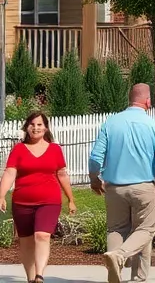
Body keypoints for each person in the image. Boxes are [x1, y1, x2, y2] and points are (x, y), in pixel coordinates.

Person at [89, 83, 155, 283]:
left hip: (114, 187)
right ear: (148, 101)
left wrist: (94, 179)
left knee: (116, 228)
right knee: (145, 229)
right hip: (144, 185)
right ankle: (128, 265)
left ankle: (117, 267)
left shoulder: (111, 123)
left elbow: (95, 158)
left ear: (129, 99)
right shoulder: (154, 126)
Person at [0, 112, 76, 283]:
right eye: (32, 124)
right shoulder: (18, 149)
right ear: (27, 127)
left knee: (42, 235)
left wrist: (70, 199)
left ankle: (39, 274)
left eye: (40, 124)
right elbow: (10, 172)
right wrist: (1, 195)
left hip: (49, 200)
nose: (36, 128)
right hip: (22, 202)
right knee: (26, 241)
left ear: (46, 128)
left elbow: (62, 174)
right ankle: (31, 278)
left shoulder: (55, 149)